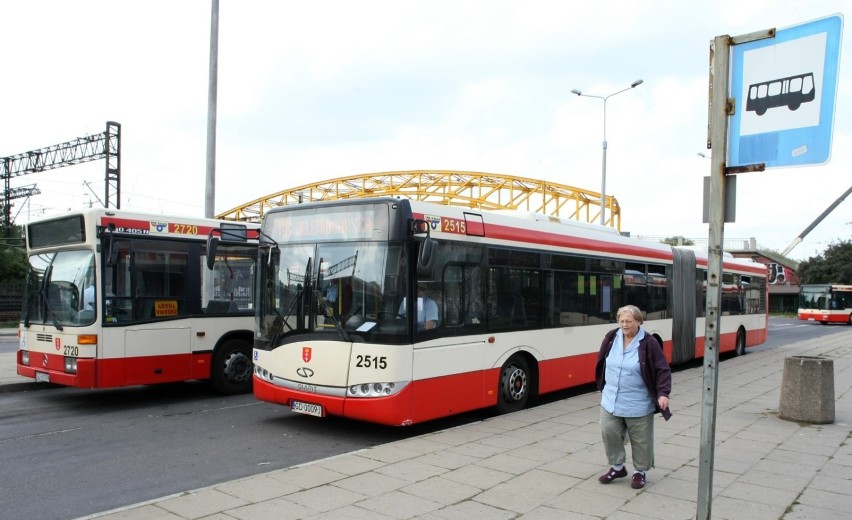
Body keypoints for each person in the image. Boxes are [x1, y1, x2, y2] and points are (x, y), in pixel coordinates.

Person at [594, 304, 672, 490]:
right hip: (611, 398)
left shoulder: (649, 342)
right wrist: (601, 384)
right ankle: (618, 467)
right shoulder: (612, 337)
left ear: (638, 321)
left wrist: (663, 393)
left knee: (641, 438)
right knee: (608, 430)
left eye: (628, 321)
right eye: (621, 321)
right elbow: (602, 361)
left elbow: (662, 369)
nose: (624, 324)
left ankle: (639, 471)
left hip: (638, 400)